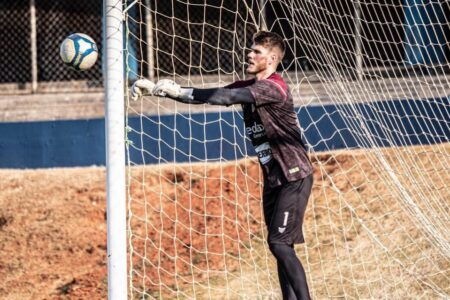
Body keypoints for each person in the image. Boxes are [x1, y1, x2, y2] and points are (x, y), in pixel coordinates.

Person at [131, 31, 314, 300]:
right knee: (279, 246)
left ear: (273, 58)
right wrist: (169, 91)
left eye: (257, 52)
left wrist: (179, 91)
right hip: (274, 178)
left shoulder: (273, 87)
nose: (249, 55)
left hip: (293, 175)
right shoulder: (250, 87)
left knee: (279, 243)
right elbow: (211, 95)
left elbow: (227, 98)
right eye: (250, 50)